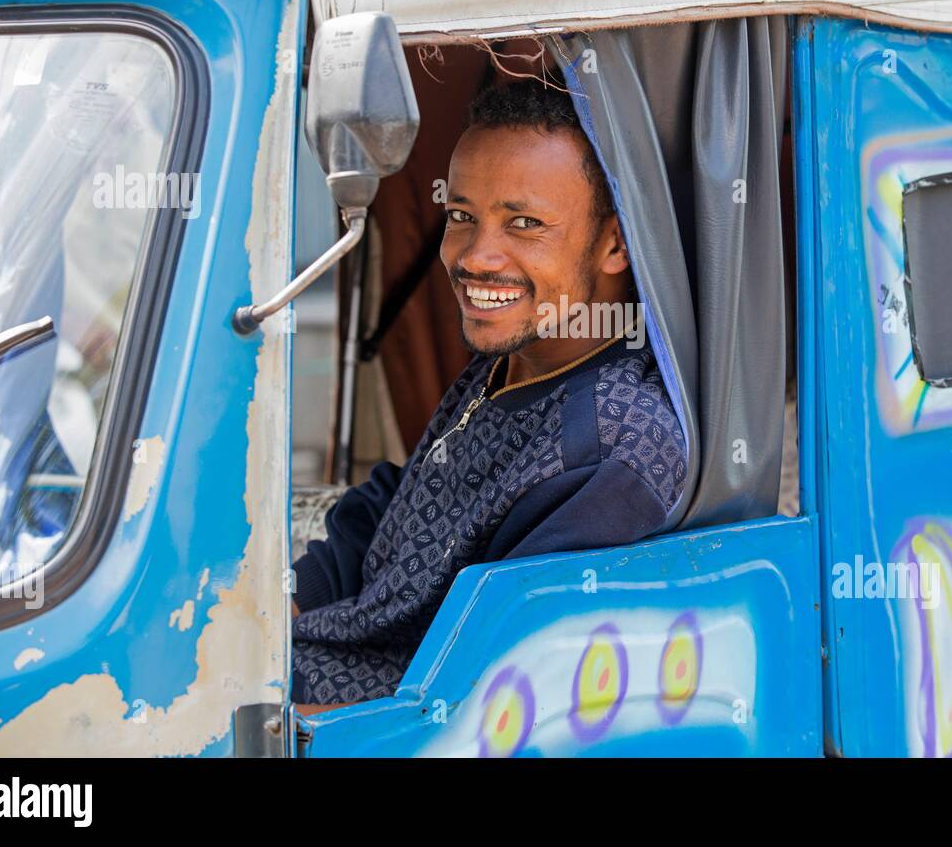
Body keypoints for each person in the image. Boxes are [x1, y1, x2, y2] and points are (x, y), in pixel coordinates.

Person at [289, 77, 687, 710]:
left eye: (525, 224)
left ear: (616, 241)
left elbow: (480, 695)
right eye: (462, 218)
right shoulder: (525, 352)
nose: (477, 257)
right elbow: (407, 495)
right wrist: (288, 601)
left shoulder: (613, 450)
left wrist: (263, 720)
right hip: (311, 654)